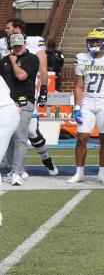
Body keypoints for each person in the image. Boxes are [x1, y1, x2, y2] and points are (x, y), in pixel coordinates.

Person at [0, 20, 57, 177]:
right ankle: (17, 169)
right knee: (11, 132)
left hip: (28, 92)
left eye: (8, 27)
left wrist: (44, 90)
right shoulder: (3, 44)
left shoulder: (34, 41)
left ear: (17, 29)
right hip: (9, 97)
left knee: (30, 131)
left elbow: (43, 69)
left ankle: (46, 159)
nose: (5, 30)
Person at [67, 30, 104, 184]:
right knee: (82, 137)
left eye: (97, 41)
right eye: (92, 41)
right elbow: (78, 86)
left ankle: (102, 173)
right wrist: (77, 107)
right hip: (88, 102)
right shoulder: (82, 58)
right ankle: (79, 173)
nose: (94, 44)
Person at [0, 34, 40, 186]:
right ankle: (15, 170)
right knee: (7, 137)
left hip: (25, 102)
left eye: (20, 45)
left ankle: (17, 172)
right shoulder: (4, 61)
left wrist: (13, 61)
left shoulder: (32, 58)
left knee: (20, 137)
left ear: (24, 43)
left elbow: (21, 76)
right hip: (9, 104)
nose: (17, 48)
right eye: (14, 46)